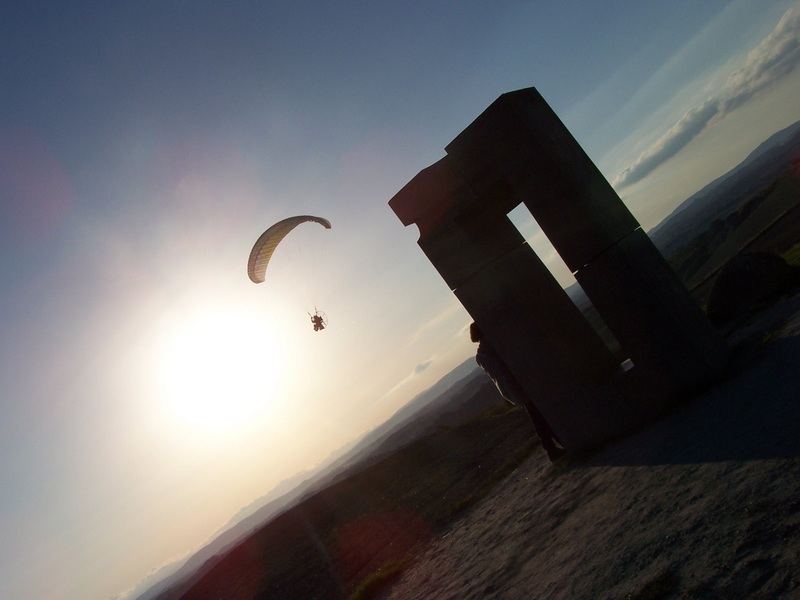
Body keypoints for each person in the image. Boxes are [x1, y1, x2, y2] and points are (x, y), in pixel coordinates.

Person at [470, 322, 566, 462]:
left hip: (510, 389)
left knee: (538, 416)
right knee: (539, 417)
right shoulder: (494, 345)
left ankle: (557, 445)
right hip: (518, 385)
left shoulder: (480, 356)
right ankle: (552, 449)